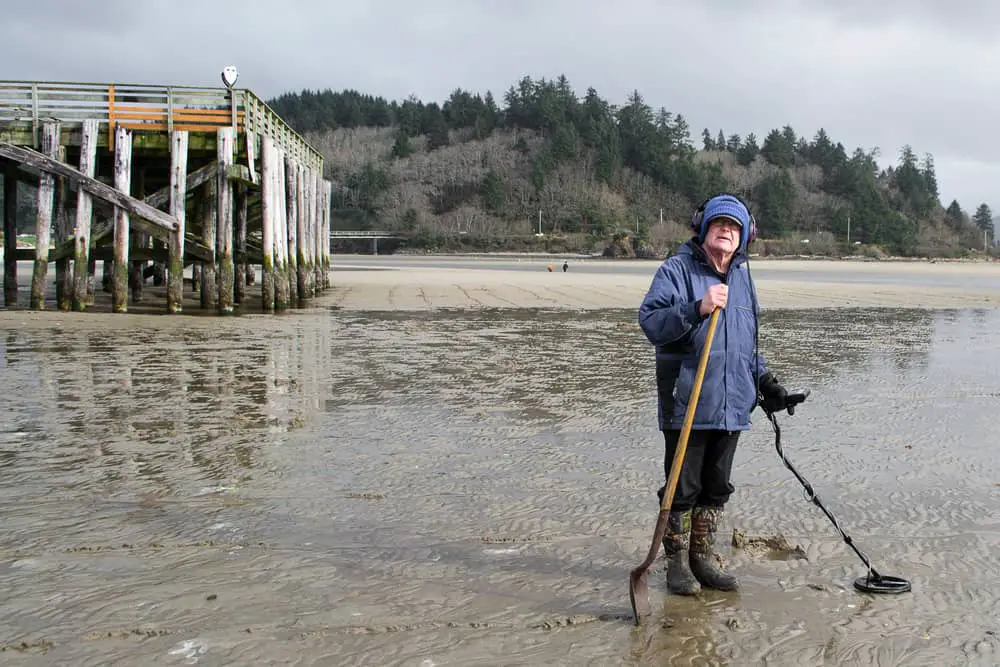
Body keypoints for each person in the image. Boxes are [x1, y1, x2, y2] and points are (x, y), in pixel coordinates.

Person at [636, 193, 798, 595]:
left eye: (733, 226)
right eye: (719, 223)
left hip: (733, 404)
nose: (725, 230)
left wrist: (767, 384)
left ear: (743, 238)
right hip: (688, 400)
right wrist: (696, 308)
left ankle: (701, 559)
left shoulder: (743, 278)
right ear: (704, 228)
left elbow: (747, 345)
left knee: (716, 487)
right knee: (681, 487)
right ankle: (676, 565)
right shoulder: (676, 270)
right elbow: (651, 323)